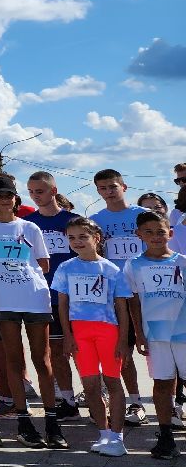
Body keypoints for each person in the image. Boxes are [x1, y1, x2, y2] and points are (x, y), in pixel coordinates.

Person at [0, 175, 63, 448]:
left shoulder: (30, 227)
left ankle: (52, 422)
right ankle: (24, 420)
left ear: (15, 198)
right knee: (14, 361)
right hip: (4, 302)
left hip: (35, 298)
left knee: (43, 360)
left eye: (9, 194)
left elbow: (43, 264)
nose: (5, 199)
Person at [53, 217, 132, 456]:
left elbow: (122, 308)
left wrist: (123, 340)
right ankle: (104, 433)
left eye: (83, 237)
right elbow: (62, 305)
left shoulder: (111, 269)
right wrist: (67, 335)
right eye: (72, 238)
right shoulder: (66, 267)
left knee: (113, 382)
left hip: (108, 331)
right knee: (89, 386)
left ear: (96, 239)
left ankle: (118, 437)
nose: (77, 242)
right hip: (80, 334)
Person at [91, 168, 150, 425]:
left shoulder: (143, 216)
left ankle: (170, 403)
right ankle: (135, 401)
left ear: (124, 187)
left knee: (155, 349)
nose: (108, 192)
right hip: (116, 295)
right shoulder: (95, 219)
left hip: (147, 291)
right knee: (122, 351)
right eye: (102, 188)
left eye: (112, 187)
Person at [126, 210, 186, 460]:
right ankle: (166, 438)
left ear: (170, 234)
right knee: (162, 384)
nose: (155, 237)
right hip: (157, 334)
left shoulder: (182, 261)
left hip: (183, 332)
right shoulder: (134, 264)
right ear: (139, 235)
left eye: (160, 232)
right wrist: (139, 334)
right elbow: (134, 301)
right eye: (148, 232)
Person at [24, 172, 81, 418]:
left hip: (77, 296)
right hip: (46, 297)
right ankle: (67, 400)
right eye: (32, 192)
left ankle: (98, 396)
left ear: (53, 191)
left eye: (41, 191)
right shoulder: (28, 224)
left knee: (82, 351)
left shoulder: (73, 221)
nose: (36, 196)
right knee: (56, 351)